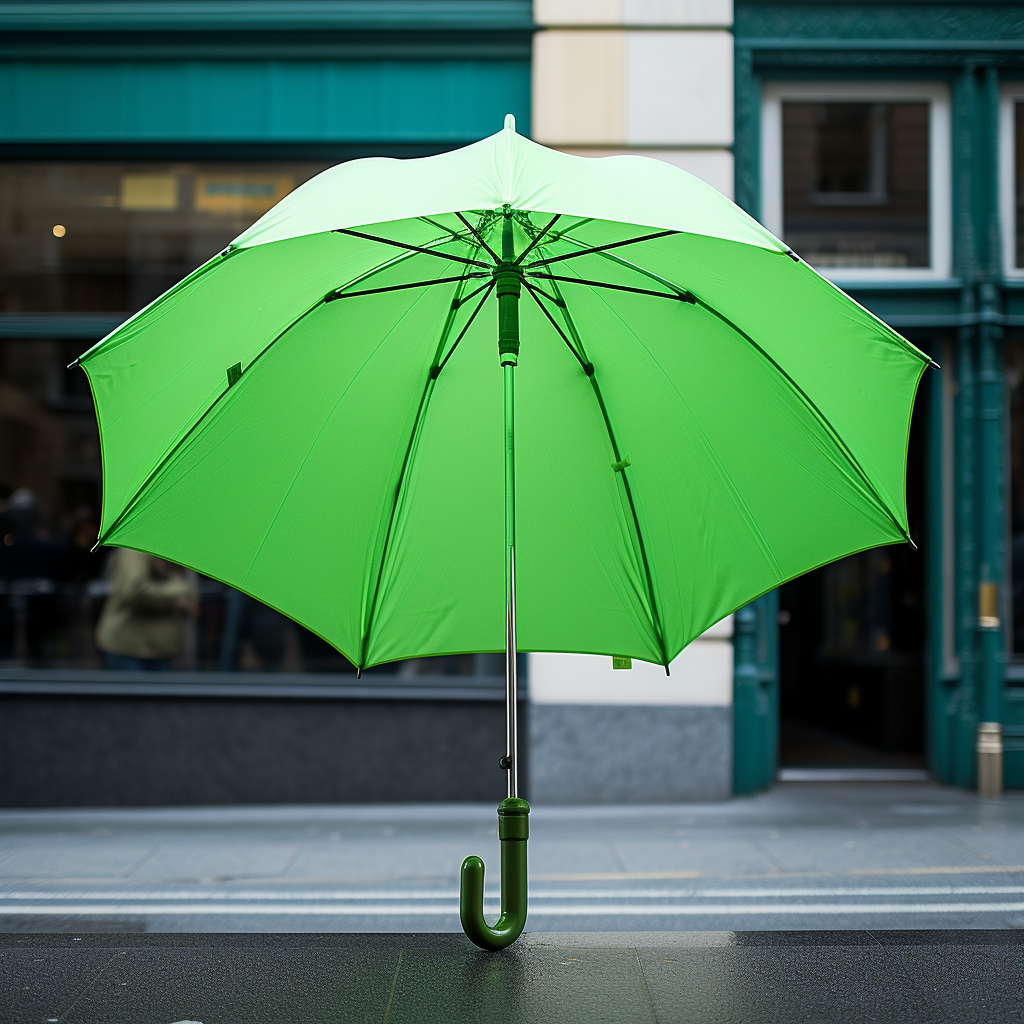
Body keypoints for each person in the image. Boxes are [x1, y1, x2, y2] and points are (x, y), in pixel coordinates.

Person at [95, 548, 197, 670]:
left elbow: (188, 591)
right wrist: (178, 593)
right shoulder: (133, 549)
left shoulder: (174, 548)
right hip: (129, 646)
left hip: (160, 646)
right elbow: (134, 592)